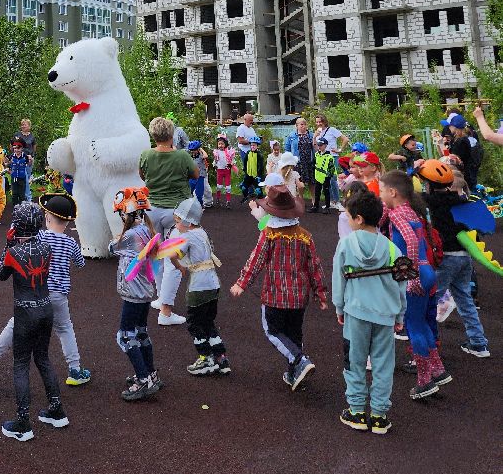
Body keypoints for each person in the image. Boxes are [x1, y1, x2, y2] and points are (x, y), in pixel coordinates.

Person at [0, 192, 91, 386]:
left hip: (37, 292)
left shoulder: (40, 237)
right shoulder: (71, 242)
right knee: (65, 329)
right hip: (60, 295)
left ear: (46, 218)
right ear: (68, 222)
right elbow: (80, 264)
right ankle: (75, 370)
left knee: (16, 324)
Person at [231, 182, 327, 390]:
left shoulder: (270, 234)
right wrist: (320, 293)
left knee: (273, 331)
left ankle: (299, 360)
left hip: (275, 294)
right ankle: (295, 374)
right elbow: (314, 265)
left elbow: (256, 260)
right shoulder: (304, 236)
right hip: (300, 295)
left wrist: (242, 283)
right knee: (294, 334)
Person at [332, 190, 406, 435]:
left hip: (356, 312)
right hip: (385, 315)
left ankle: (356, 411)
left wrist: (339, 307)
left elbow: (338, 279)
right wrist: (399, 315)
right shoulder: (394, 249)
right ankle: (379, 415)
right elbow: (401, 285)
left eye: (349, 216)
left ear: (359, 218)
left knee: (354, 361)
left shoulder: (346, 244)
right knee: (383, 364)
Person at [0, 202, 69, 441]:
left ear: (16, 225)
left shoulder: (13, 252)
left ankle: (23, 422)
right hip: (45, 307)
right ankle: (56, 410)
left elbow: (1, 274)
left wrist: (8, 243)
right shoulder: (46, 247)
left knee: (20, 364)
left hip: (25, 313)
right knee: (43, 358)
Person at [378, 171, 449, 399]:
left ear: (392, 192)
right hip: (427, 269)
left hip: (415, 273)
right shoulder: (410, 211)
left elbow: (408, 239)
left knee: (414, 326)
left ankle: (424, 381)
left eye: (381, 191)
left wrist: (412, 275)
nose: (379, 196)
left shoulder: (399, 214)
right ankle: (437, 370)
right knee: (422, 324)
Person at [419, 159, 490, 358]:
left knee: (429, 301)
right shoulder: (464, 202)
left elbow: (413, 193)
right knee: (465, 299)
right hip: (464, 257)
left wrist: (415, 170)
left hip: (445, 259)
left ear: (429, 184)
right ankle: (478, 343)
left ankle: (427, 349)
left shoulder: (431, 201)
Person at [138, 116, 198, 325]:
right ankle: (165, 311)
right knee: (174, 259)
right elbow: (196, 174)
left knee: (156, 255)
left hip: (152, 209)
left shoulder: (146, 155)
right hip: (176, 211)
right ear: (172, 135)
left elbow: (142, 175)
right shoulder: (181, 155)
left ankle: (160, 297)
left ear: (152, 135)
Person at [108, 186, 161, 402]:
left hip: (133, 294)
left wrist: (118, 236)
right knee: (141, 332)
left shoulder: (129, 236)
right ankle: (151, 373)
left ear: (125, 213)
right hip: (145, 293)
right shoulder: (147, 230)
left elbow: (111, 248)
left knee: (124, 336)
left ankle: (143, 379)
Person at [170, 197, 228, 376]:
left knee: (194, 324)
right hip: (213, 284)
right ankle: (221, 358)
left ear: (187, 222)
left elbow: (173, 255)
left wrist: (178, 266)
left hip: (199, 286)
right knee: (208, 321)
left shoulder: (186, 237)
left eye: (177, 221)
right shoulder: (202, 232)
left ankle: (205, 358)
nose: (176, 225)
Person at [285, 117, 315, 193]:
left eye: (304, 124)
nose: (303, 126)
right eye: (301, 124)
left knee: (312, 182)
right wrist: (288, 162)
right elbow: (287, 149)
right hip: (297, 163)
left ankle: (314, 200)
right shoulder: (291, 135)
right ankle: (299, 200)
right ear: (296, 125)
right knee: (298, 182)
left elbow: (315, 148)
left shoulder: (311, 135)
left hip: (309, 162)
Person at [311, 137, 336, 213]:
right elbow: (314, 164)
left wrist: (328, 176)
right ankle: (315, 206)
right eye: (318, 145)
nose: (319, 147)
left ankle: (327, 207)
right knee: (317, 192)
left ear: (325, 145)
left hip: (326, 177)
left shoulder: (329, 156)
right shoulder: (316, 154)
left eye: (321, 145)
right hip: (317, 176)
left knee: (326, 192)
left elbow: (331, 168)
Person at [239, 135, 264, 203]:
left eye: (254, 145)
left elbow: (261, 166)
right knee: (243, 187)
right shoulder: (248, 153)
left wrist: (259, 175)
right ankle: (245, 197)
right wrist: (245, 170)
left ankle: (261, 200)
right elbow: (245, 162)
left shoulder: (259, 155)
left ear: (257, 146)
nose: (252, 146)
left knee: (258, 190)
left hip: (256, 176)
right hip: (248, 175)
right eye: (251, 145)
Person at [17, 118, 36, 202]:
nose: (23, 126)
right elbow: (12, 146)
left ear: (29, 126)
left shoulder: (32, 136)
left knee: (27, 179)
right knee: (24, 178)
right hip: (20, 159)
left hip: (30, 159)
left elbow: (34, 147)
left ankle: (23, 196)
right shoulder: (17, 135)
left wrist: (32, 156)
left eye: (25, 124)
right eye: (22, 124)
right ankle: (29, 198)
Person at [212, 135, 234, 207]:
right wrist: (214, 164)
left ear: (225, 144)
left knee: (228, 187)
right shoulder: (216, 152)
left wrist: (231, 164)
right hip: (220, 171)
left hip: (227, 171)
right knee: (219, 186)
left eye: (222, 144)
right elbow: (215, 161)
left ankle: (228, 201)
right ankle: (218, 199)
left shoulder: (228, 152)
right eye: (219, 144)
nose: (220, 145)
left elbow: (232, 160)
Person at [8, 140, 30, 207]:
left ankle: (22, 209)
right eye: (14, 148)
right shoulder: (11, 156)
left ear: (21, 148)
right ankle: (15, 208)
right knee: (14, 194)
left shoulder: (25, 156)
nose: (16, 150)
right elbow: (8, 166)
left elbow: (29, 164)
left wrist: (31, 160)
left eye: (18, 148)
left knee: (22, 194)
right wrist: (10, 172)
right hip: (14, 178)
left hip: (22, 178)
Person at [187, 140, 208, 205]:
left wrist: (201, 149)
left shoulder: (201, 155)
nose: (193, 151)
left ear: (198, 149)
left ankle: (200, 206)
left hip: (200, 177)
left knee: (199, 195)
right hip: (192, 176)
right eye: (191, 150)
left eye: (194, 150)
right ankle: (187, 206)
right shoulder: (190, 156)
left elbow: (205, 156)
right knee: (188, 192)